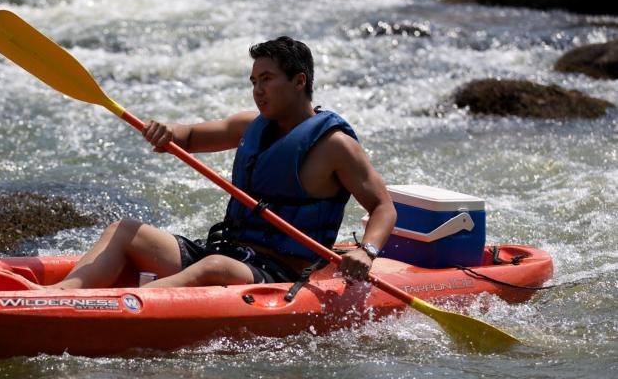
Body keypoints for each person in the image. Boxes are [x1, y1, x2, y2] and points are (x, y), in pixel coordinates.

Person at [44, 36, 396, 290]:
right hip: (227, 250)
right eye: (254, 82)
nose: (258, 90)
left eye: (267, 80)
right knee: (125, 229)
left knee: (213, 267)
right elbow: (191, 136)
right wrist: (168, 132)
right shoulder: (249, 126)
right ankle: (61, 294)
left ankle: (128, 305)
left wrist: (367, 251)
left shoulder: (335, 146)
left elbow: (383, 207)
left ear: (299, 81)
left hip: (281, 271)